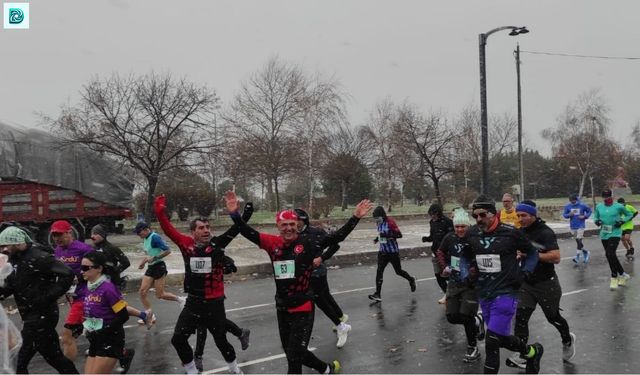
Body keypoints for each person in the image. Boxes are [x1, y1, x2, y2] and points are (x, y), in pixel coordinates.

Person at [225, 190, 373, 374]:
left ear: (297, 225)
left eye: (292, 224)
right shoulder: (272, 243)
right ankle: (326, 369)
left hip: (303, 307)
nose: (288, 228)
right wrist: (233, 213)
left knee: (294, 359)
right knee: (291, 352)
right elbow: (245, 231)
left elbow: (337, 238)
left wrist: (355, 217)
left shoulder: (308, 243)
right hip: (282, 307)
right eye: (284, 224)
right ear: (278, 226)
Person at [154, 196, 252, 374]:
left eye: (208, 227)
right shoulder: (186, 244)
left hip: (214, 303)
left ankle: (235, 370)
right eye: (201, 228)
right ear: (193, 232)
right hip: (193, 302)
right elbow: (168, 230)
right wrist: (160, 213)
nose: (206, 231)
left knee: (221, 341)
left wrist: (242, 213)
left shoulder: (217, 244)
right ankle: (192, 371)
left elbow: (237, 228)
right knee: (178, 339)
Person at [465, 195, 544, 374]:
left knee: (492, 339)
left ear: (494, 214)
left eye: (483, 215)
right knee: (499, 336)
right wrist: (468, 271)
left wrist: (526, 273)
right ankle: (532, 351)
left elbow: (532, 253)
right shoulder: (472, 233)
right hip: (484, 292)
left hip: (507, 291)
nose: (478, 219)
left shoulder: (510, 232)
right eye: (475, 216)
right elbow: (467, 255)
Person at [0, 226, 79, 374]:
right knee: (54, 357)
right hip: (31, 314)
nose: (3, 249)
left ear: (17, 243)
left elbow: (67, 273)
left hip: (42, 316)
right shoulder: (15, 258)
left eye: (6, 245)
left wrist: (49, 296)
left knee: (17, 362)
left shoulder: (39, 257)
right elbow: (14, 283)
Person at [507, 200, 575, 369]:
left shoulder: (545, 233)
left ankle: (567, 339)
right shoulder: (519, 232)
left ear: (533, 215)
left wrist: (531, 255)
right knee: (521, 317)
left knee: (553, 318)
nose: (520, 219)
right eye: (518, 215)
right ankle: (523, 354)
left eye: (524, 215)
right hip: (527, 283)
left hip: (546, 283)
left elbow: (556, 257)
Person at [90, 224, 152, 373]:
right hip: (98, 286)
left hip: (111, 285)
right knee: (113, 310)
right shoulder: (93, 250)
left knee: (115, 312)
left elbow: (125, 262)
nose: (93, 236)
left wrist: (113, 272)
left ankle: (117, 351)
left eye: (96, 233)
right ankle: (142, 315)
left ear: (103, 235)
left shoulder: (111, 248)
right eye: (92, 233)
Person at [294, 208, 351, 349]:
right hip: (302, 276)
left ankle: (340, 325)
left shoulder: (316, 233)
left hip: (316, 273)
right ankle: (340, 318)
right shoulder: (293, 234)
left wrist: (321, 258)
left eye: (296, 221)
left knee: (318, 301)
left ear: (303, 220)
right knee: (324, 297)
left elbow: (335, 245)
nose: (294, 224)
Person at [435, 208, 485, 363]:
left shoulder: (475, 238)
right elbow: (440, 252)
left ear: (468, 226)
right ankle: (477, 321)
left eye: (463, 226)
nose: (460, 229)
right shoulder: (449, 238)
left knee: (465, 315)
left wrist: (474, 272)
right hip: (454, 283)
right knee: (451, 317)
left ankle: (473, 347)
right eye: (457, 226)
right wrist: (444, 267)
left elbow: (483, 257)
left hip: (471, 284)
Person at [51, 219, 95, 362]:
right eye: (54, 235)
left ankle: (67, 370)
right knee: (93, 328)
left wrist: (80, 277)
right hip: (73, 297)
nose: (57, 238)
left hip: (85, 296)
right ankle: (122, 352)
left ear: (69, 233)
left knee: (67, 335)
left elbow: (98, 269)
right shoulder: (57, 251)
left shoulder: (84, 249)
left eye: (60, 234)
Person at [81, 251, 130, 374]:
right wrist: (85, 327)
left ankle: (124, 353)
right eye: (81, 267)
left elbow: (123, 316)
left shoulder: (108, 289)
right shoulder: (89, 286)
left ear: (99, 269)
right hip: (95, 339)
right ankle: (126, 354)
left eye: (85, 268)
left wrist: (103, 331)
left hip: (111, 339)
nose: (82, 271)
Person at [134, 221, 184, 321]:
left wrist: (156, 258)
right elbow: (149, 254)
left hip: (159, 267)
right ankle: (150, 315)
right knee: (142, 292)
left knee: (160, 295)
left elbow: (168, 250)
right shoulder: (146, 238)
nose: (138, 235)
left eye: (139, 233)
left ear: (146, 229)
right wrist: (143, 262)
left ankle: (181, 300)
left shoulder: (154, 237)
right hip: (151, 267)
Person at [369, 206, 417, 302]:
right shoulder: (378, 223)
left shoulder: (390, 223)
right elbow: (381, 234)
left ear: (382, 216)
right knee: (379, 271)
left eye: (378, 217)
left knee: (398, 271)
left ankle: (411, 279)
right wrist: (377, 239)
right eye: (375, 218)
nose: (377, 220)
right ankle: (377, 294)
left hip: (392, 252)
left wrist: (387, 235)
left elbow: (399, 235)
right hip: (383, 251)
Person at [593, 189, 633, 290]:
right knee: (611, 255)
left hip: (615, 233)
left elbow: (629, 214)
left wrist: (621, 221)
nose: (606, 199)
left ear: (611, 196)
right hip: (604, 233)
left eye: (608, 196)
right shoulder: (599, 206)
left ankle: (614, 277)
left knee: (609, 254)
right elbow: (595, 217)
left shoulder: (618, 206)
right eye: (604, 197)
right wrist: (597, 221)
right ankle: (623, 274)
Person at [421, 203, 453, 304]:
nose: (432, 216)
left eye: (434, 214)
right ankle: (447, 294)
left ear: (439, 213)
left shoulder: (447, 222)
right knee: (438, 276)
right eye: (430, 214)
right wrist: (427, 239)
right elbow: (433, 236)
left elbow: (450, 237)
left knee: (448, 275)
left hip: (445, 254)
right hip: (435, 252)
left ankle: (452, 294)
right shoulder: (432, 222)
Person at [562, 194, 592, 264]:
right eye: (571, 201)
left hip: (581, 225)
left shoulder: (582, 205)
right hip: (573, 226)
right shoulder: (568, 206)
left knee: (579, 240)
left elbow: (589, 211)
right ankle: (585, 252)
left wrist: (584, 216)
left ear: (576, 199)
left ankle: (577, 257)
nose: (572, 202)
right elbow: (564, 215)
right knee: (578, 242)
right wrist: (569, 215)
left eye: (573, 201)